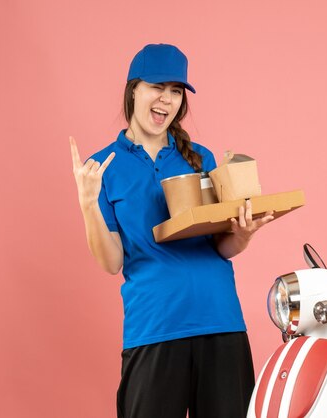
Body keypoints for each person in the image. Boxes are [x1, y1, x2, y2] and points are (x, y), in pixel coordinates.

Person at [69, 43, 273, 418]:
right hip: (155, 328)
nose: (166, 99)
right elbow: (111, 262)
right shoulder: (101, 168)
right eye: (157, 87)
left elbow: (221, 246)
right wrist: (87, 202)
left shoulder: (201, 157)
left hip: (220, 321)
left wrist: (243, 234)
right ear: (134, 90)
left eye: (176, 91)